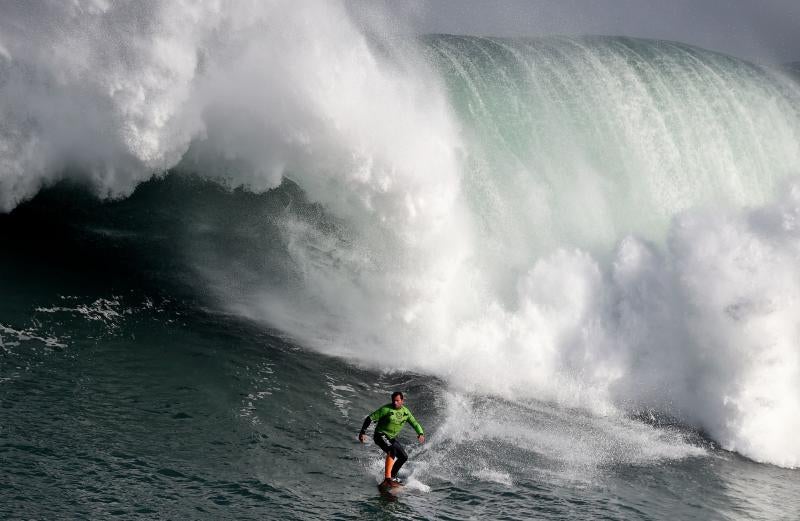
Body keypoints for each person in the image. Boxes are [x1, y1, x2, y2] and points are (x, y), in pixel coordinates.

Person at [359, 391, 424, 487]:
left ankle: (392, 477)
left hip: (391, 438)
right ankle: (387, 479)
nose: (395, 403)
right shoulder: (386, 409)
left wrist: (420, 433)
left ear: (402, 400)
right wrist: (362, 432)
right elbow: (370, 418)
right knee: (392, 450)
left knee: (403, 457)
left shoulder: (405, 412)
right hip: (380, 435)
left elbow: (415, 423)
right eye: (393, 401)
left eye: (397, 401)